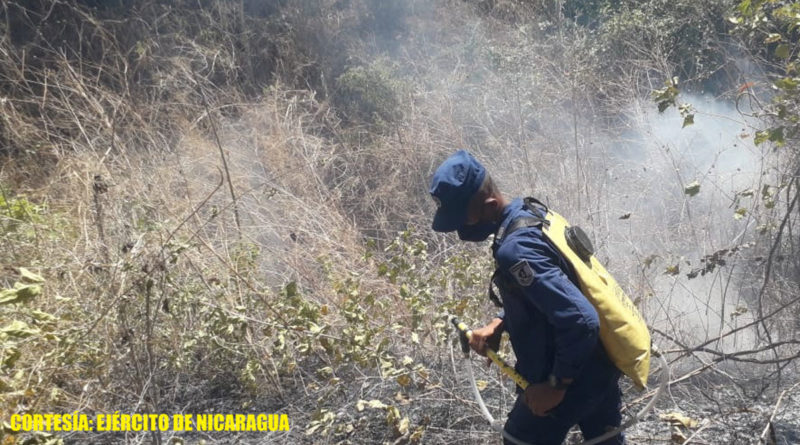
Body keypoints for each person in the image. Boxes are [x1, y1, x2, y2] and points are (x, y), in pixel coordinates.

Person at [429, 150, 624, 445]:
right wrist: (500, 322)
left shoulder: (516, 249)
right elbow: (557, 291)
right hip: (599, 366)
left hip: (569, 377)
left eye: (462, 220)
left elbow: (581, 320)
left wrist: (556, 386)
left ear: (490, 204)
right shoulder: (530, 212)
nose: (459, 230)